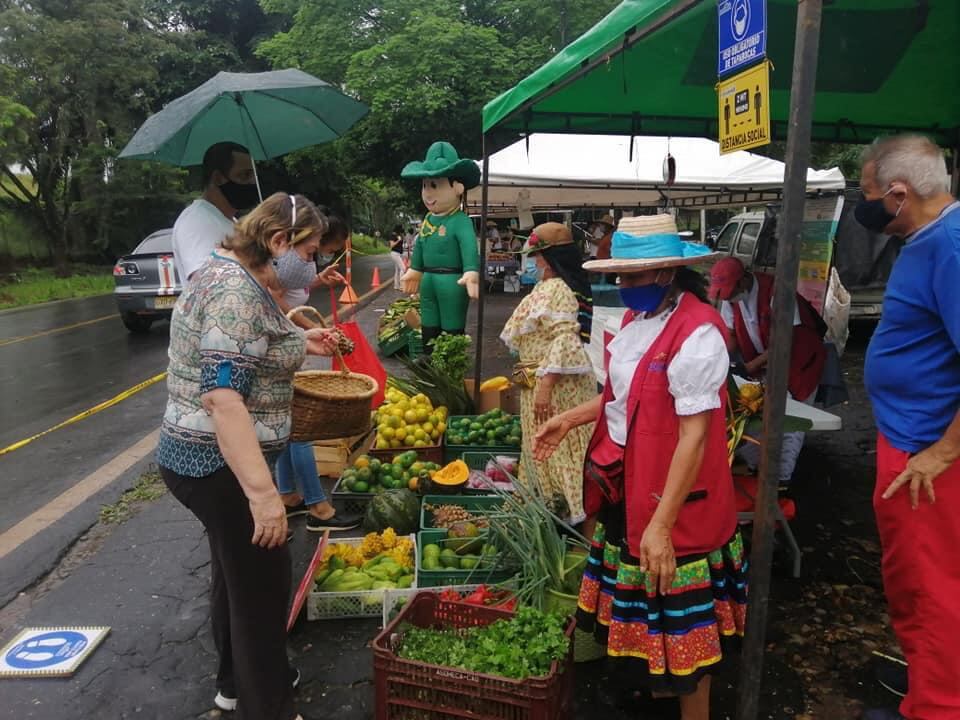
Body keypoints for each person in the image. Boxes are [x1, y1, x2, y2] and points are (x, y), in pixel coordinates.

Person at [534, 214, 746, 720]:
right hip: (629, 491)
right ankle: (659, 697)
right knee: (655, 631)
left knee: (686, 631)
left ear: (667, 273)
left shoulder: (699, 334)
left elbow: (695, 436)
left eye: (633, 276)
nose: (622, 286)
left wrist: (662, 524)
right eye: (619, 275)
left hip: (678, 506)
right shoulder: (636, 321)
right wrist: (568, 418)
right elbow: (621, 399)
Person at [157, 193, 341, 720]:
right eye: (307, 251)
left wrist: (305, 340)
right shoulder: (234, 292)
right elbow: (222, 397)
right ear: (279, 241)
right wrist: (264, 497)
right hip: (219, 466)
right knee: (261, 590)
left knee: (235, 575)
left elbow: (251, 341)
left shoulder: (233, 273)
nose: (312, 262)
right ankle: (271, 705)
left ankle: (235, 685)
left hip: (205, 460)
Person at [856, 135, 960, 720]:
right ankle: (926, 689)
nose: (868, 207)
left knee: (934, 590)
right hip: (907, 442)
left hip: (929, 457)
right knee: (911, 583)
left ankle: (938, 707)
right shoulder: (923, 240)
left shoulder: (951, 246)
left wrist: (943, 452)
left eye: (870, 195)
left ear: (899, 193)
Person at [500, 222, 596, 524]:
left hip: (554, 389)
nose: (535, 259)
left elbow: (565, 339)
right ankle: (547, 508)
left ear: (553, 256)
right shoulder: (548, 284)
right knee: (541, 443)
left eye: (540, 254)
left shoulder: (560, 290)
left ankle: (567, 513)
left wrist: (544, 386)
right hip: (538, 382)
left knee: (557, 446)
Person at [272, 209, 359, 534]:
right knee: (300, 427)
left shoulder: (288, 262)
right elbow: (277, 298)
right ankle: (318, 507)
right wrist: (310, 329)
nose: (316, 257)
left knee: (286, 423)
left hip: (283, 347)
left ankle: (288, 495)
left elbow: (288, 290)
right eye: (313, 250)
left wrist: (318, 280)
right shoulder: (274, 260)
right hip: (282, 346)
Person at [708, 256, 827, 485]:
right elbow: (730, 335)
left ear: (743, 280)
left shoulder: (777, 293)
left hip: (800, 363)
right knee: (754, 416)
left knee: (791, 422)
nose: (729, 297)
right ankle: (758, 471)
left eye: (731, 291)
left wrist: (748, 367)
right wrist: (719, 360)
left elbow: (784, 343)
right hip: (764, 364)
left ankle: (779, 483)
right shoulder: (730, 299)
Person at [171, 142, 258, 284]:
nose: (253, 182)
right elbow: (207, 286)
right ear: (218, 178)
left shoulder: (230, 221)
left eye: (253, 175)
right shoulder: (196, 222)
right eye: (245, 175)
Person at [389, 224, 406, 290]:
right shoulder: (392, 235)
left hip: (399, 254)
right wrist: (398, 240)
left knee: (397, 270)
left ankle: (396, 286)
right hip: (395, 253)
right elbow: (391, 245)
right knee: (403, 268)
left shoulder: (398, 235)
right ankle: (401, 286)